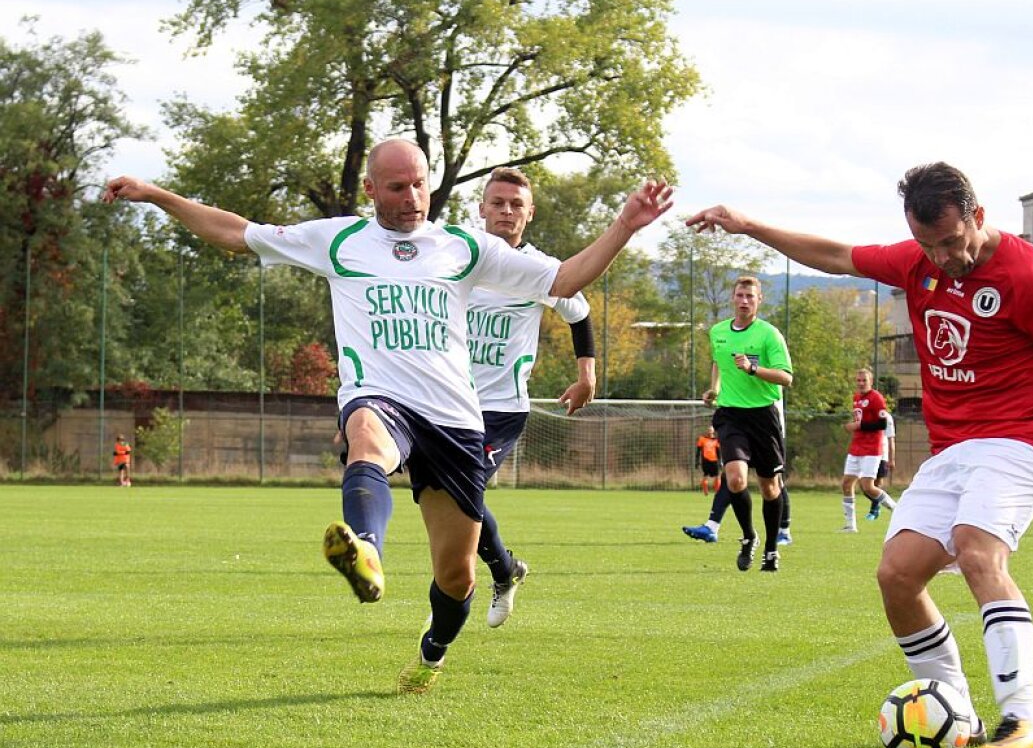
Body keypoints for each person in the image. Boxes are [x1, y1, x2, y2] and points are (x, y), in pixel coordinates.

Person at [104, 138, 672, 694]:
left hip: (454, 419)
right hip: (379, 396)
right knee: (365, 439)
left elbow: (566, 280)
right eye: (397, 187)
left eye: (419, 183)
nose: (411, 196)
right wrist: (156, 194)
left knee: (456, 577)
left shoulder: (463, 247)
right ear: (372, 189)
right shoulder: (339, 239)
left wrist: (624, 226)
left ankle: (432, 654)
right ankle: (367, 549)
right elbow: (235, 232)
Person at [686, 161, 1033, 748]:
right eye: (928, 245)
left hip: (1021, 444)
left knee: (975, 548)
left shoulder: (1032, 277)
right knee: (897, 574)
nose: (941, 258)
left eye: (952, 243)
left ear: (978, 216)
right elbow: (834, 255)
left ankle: (1024, 718)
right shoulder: (916, 260)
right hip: (952, 452)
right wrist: (748, 225)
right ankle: (958, 711)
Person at [469, 167, 597, 628]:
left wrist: (587, 375)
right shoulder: (457, 255)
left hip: (501, 407)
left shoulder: (542, 270)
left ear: (530, 213)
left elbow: (579, 315)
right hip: (445, 402)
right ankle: (506, 571)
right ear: (481, 208)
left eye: (515, 204)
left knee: (462, 493)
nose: (506, 211)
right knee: (437, 497)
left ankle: (447, 609)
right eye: (497, 202)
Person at [702, 275, 793, 573]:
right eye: (740, 295)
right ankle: (748, 537)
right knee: (736, 478)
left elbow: (786, 378)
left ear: (759, 300)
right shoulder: (718, 332)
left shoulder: (769, 335)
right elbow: (718, 361)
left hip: (763, 416)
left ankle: (770, 549)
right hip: (730, 414)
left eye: (750, 297)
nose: (744, 301)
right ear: (732, 298)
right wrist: (714, 388)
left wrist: (754, 369)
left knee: (769, 488)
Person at [682, 400, 793, 545]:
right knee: (732, 476)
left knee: (774, 482)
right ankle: (712, 526)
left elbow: (781, 379)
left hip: (768, 425)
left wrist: (753, 375)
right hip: (740, 421)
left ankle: (784, 532)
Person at [839, 368, 896, 532]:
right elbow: (860, 420)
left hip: (872, 448)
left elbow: (882, 424)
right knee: (846, 483)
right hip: (856, 446)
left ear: (870, 381)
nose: (861, 383)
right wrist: (853, 426)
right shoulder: (856, 398)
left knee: (868, 486)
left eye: (864, 380)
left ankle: (896, 509)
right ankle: (850, 525)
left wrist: (859, 426)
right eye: (858, 380)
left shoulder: (876, 398)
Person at [866, 409, 897, 521]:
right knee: (865, 485)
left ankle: (874, 510)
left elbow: (891, 439)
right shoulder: (865, 414)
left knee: (877, 483)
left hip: (881, 454)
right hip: (866, 453)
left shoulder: (886, 417)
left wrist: (891, 458)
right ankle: (884, 505)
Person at [695, 425, 722, 495]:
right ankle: (705, 490)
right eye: (709, 430)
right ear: (707, 431)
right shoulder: (702, 439)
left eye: (711, 430)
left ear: (713, 431)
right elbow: (698, 451)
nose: (710, 431)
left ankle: (717, 491)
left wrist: (720, 461)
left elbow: (718, 452)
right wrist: (697, 461)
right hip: (705, 460)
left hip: (714, 460)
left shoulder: (716, 440)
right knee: (705, 475)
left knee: (717, 476)